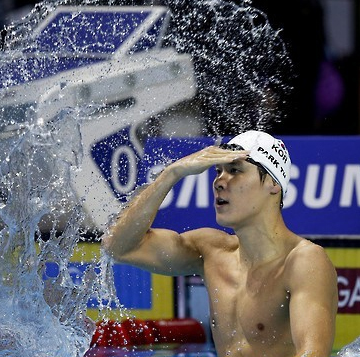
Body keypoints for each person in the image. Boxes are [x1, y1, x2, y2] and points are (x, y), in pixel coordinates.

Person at [101, 130, 338, 357]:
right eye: (217, 172)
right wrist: (171, 174)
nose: (219, 182)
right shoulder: (211, 251)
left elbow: (313, 352)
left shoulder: (303, 262)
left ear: (273, 184)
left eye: (235, 170)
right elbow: (118, 246)